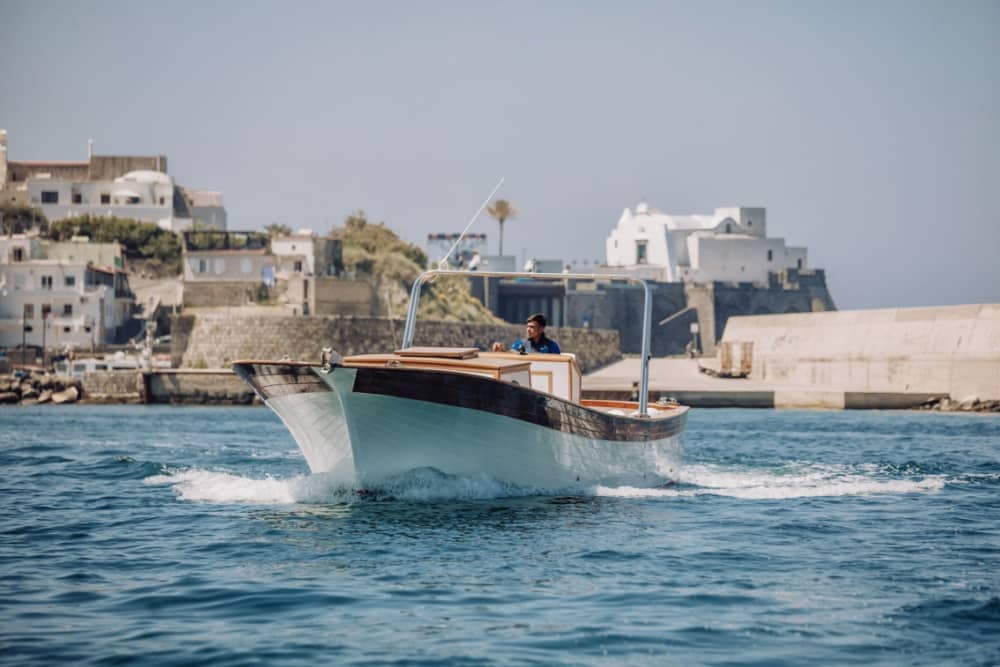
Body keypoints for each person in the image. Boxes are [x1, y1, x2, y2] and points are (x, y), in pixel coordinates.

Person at [491, 313, 561, 354]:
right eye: (527, 327)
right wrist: (501, 350)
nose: (528, 329)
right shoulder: (521, 344)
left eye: (532, 327)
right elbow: (511, 353)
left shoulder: (551, 346)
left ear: (541, 329)